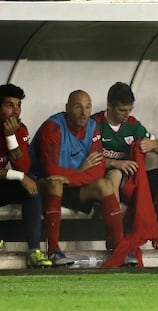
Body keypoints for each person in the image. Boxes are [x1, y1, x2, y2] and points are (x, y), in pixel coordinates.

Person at [30, 90, 135, 267]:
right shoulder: (53, 127)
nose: (84, 113)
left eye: (88, 107)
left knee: (105, 185)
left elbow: (98, 169)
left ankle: (119, 248)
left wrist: (74, 175)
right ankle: (54, 251)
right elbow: (51, 170)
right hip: (40, 186)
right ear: (67, 108)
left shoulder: (92, 127)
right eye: (78, 107)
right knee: (55, 183)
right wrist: (80, 171)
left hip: (72, 184)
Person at [92, 82, 158, 250]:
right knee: (115, 174)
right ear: (109, 106)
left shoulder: (133, 125)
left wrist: (153, 144)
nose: (126, 115)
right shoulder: (95, 124)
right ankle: (116, 237)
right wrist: (115, 163)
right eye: (122, 110)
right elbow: (86, 159)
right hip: (104, 182)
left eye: (130, 110)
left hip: (134, 180)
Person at [0, 83, 52, 268]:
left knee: (32, 188)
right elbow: (20, 174)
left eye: (18, 105)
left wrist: (10, 136)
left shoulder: (19, 129)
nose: (15, 111)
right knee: (24, 179)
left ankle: (34, 252)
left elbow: (23, 166)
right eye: (9, 105)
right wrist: (20, 176)